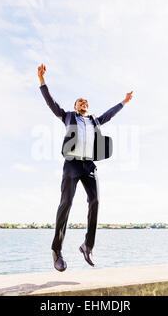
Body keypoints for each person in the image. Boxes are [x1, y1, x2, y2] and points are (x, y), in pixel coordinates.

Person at [37, 63, 133, 272]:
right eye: (80, 102)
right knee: (66, 204)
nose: (84, 103)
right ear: (75, 106)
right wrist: (42, 81)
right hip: (72, 163)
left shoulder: (94, 121)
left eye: (86, 102)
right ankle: (57, 250)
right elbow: (51, 103)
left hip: (89, 165)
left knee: (96, 200)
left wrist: (123, 102)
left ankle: (87, 246)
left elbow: (109, 114)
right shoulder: (68, 116)